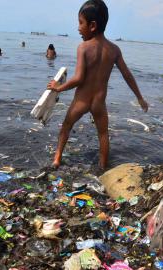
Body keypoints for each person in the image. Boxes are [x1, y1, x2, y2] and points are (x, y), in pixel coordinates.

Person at [47, 0, 149, 169]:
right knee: (103, 134)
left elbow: (78, 78)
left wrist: (58, 88)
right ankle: (103, 166)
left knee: (66, 126)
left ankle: (57, 159)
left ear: (92, 25)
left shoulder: (84, 48)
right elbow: (127, 75)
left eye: (80, 23)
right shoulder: (114, 50)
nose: (78, 28)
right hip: (99, 103)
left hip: (82, 100)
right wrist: (140, 98)